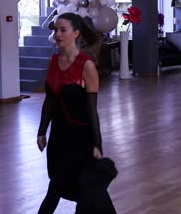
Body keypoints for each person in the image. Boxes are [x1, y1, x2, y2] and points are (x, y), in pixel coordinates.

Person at [37, 12, 104, 214]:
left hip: (79, 139)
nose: (57, 34)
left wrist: (97, 144)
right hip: (58, 137)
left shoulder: (86, 65)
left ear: (75, 33)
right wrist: (41, 131)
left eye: (63, 30)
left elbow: (92, 109)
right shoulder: (53, 61)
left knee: (56, 188)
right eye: (56, 29)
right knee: (83, 191)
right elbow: (50, 99)